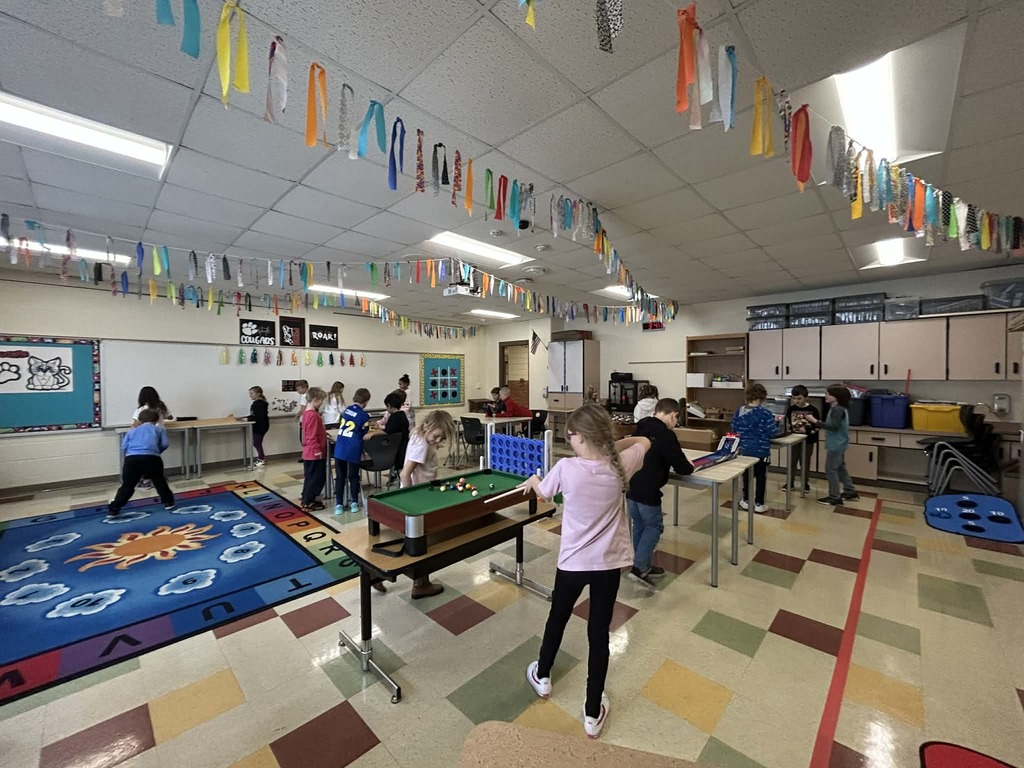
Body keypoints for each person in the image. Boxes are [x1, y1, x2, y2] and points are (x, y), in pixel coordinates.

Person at [519, 403, 651, 739]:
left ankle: (543, 676)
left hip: (572, 565)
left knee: (558, 618)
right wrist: (612, 444)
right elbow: (644, 442)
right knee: (598, 634)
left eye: (571, 436)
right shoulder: (621, 464)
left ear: (578, 436)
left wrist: (534, 479)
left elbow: (542, 492)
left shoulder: (565, 467)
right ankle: (593, 711)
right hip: (607, 567)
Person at [627, 398, 693, 585]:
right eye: (676, 420)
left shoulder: (640, 428)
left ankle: (641, 564)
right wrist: (689, 466)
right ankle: (639, 567)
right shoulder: (665, 435)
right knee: (654, 526)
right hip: (648, 490)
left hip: (631, 486)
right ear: (674, 415)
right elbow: (682, 467)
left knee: (639, 524)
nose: (675, 424)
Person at [400, 411, 457, 599]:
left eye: (442, 437)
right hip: (419, 497)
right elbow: (405, 474)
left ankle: (377, 577)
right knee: (423, 540)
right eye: (436, 436)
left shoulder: (419, 434)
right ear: (426, 427)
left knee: (405, 538)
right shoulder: (422, 446)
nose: (438, 440)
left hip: (422, 493)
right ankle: (421, 584)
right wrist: (410, 502)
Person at [109, 409, 175, 515]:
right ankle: (169, 502)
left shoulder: (132, 431)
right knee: (159, 481)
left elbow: (124, 446)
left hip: (132, 459)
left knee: (128, 485)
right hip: (152, 458)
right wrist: (157, 451)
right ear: (156, 420)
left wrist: (130, 454)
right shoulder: (158, 430)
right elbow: (165, 444)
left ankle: (115, 507)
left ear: (139, 420)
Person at [803, 384, 859, 506]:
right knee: (840, 468)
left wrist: (814, 421)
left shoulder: (838, 410)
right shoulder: (837, 408)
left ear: (836, 397)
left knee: (831, 470)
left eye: (828, 394)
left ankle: (834, 496)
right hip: (839, 443)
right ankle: (850, 490)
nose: (825, 396)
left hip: (836, 445)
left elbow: (833, 426)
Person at [731, 383, 776, 514]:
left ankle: (745, 500)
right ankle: (759, 503)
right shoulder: (766, 413)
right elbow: (772, 432)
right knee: (761, 476)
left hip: (744, 450)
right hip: (761, 450)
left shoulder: (739, 411)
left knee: (746, 476)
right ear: (762, 398)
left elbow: (734, 429)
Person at [334, 387, 372, 514]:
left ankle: (339, 504)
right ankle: (354, 502)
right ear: (366, 402)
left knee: (340, 477)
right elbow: (364, 433)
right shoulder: (364, 416)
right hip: (354, 448)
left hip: (340, 446)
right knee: (354, 476)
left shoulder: (347, 410)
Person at [784, 385, 819, 493]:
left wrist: (808, 430)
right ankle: (790, 482)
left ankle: (805, 483)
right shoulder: (791, 409)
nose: (796, 401)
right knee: (792, 461)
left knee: (805, 461)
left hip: (807, 440)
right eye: (794, 398)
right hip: (793, 439)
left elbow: (817, 426)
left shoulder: (813, 410)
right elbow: (788, 422)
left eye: (799, 398)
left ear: (806, 397)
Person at [300, 387, 328, 512]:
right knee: (316, 478)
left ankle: (306, 498)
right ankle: (308, 502)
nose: (322, 403)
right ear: (316, 400)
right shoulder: (313, 415)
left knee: (310, 477)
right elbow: (311, 436)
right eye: (321, 400)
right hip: (314, 453)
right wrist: (317, 450)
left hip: (309, 453)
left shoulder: (307, 414)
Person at [382, 390, 410, 485]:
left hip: (397, 450)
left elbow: (386, 432)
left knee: (401, 472)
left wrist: (373, 433)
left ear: (389, 405)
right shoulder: (402, 415)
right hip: (404, 446)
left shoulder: (394, 417)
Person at [246, 386, 270, 467]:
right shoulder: (257, 403)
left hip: (260, 426)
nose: (250, 395)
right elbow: (254, 415)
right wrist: (245, 418)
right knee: (257, 443)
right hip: (259, 425)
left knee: (257, 443)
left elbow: (258, 417)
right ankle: (262, 458)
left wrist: (247, 419)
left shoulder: (259, 404)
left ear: (258, 394)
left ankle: (261, 459)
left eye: (252, 393)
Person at [294, 379, 309, 464]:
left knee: (303, 438)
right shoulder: (311, 395)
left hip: (304, 420)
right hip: (309, 419)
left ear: (304, 388)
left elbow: (303, 409)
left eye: (299, 389)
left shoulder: (304, 396)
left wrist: (297, 415)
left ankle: (305, 455)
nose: (298, 391)